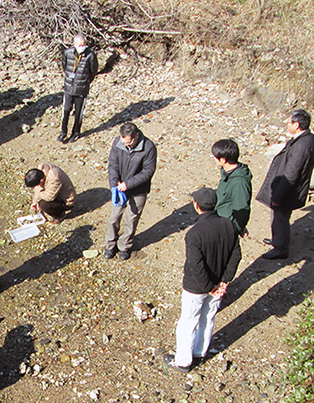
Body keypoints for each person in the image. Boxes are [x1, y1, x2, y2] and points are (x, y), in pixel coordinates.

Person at [164, 188, 241, 373]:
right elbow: (236, 255)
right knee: (208, 318)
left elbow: (196, 265)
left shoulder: (194, 234)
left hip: (196, 287)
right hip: (219, 284)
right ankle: (200, 352)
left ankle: (183, 361)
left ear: (196, 206)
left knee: (188, 322)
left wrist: (208, 287)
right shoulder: (229, 225)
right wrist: (224, 281)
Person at [255, 109, 314, 259]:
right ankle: (278, 239)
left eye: (289, 122)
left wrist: (278, 196)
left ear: (296, 125)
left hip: (288, 190)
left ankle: (280, 247)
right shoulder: (309, 139)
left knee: (280, 217)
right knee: (280, 217)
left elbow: (291, 174)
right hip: (292, 188)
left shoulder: (301, 146)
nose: (287, 123)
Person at [105, 122, 157, 260]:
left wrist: (128, 184)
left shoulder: (149, 147)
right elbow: (113, 164)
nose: (126, 144)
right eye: (124, 141)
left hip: (138, 190)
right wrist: (114, 183)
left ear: (137, 136)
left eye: (128, 142)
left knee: (132, 218)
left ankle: (125, 245)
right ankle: (110, 245)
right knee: (114, 217)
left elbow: (148, 171)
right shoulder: (118, 142)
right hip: (119, 188)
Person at [59, 33, 97, 144]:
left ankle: (76, 133)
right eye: (79, 45)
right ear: (74, 44)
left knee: (78, 113)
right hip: (69, 87)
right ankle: (63, 132)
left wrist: (86, 81)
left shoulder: (90, 55)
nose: (82, 47)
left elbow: (93, 70)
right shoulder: (67, 53)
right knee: (66, 110)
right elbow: (64, 65)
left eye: (84, 45)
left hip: (82, 89)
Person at [211, 139, 253, 236]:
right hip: (220, 220)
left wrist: (237, 228)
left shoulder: (239, 182)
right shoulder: (227, 173)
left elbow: (242, 210)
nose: (213, 158)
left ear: (223, 160)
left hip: (227, 227)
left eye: (215, 157)